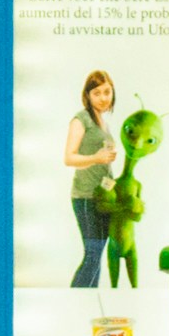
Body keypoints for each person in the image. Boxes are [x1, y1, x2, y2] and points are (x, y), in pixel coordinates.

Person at [67, 68, 126, 287]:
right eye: (97, 93)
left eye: (107, 92)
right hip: (85, 196)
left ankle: (88, 301)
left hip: (102, 196)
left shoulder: (103, 122)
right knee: (92, 253)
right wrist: (95, 157)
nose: (103, 98)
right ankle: (76, 300)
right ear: (88, 95)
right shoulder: (80, 120)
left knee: (97, 252)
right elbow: (69, 157)